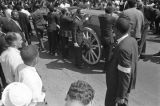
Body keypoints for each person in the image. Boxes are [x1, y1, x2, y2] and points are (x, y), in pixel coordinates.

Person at [105, 17, 138, 106]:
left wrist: (121, 96)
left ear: (116, 30)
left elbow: (125, 73)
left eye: (114, 27)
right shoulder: (132, 40)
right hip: (124, 86)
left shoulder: (122, 48)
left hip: (117, 87)